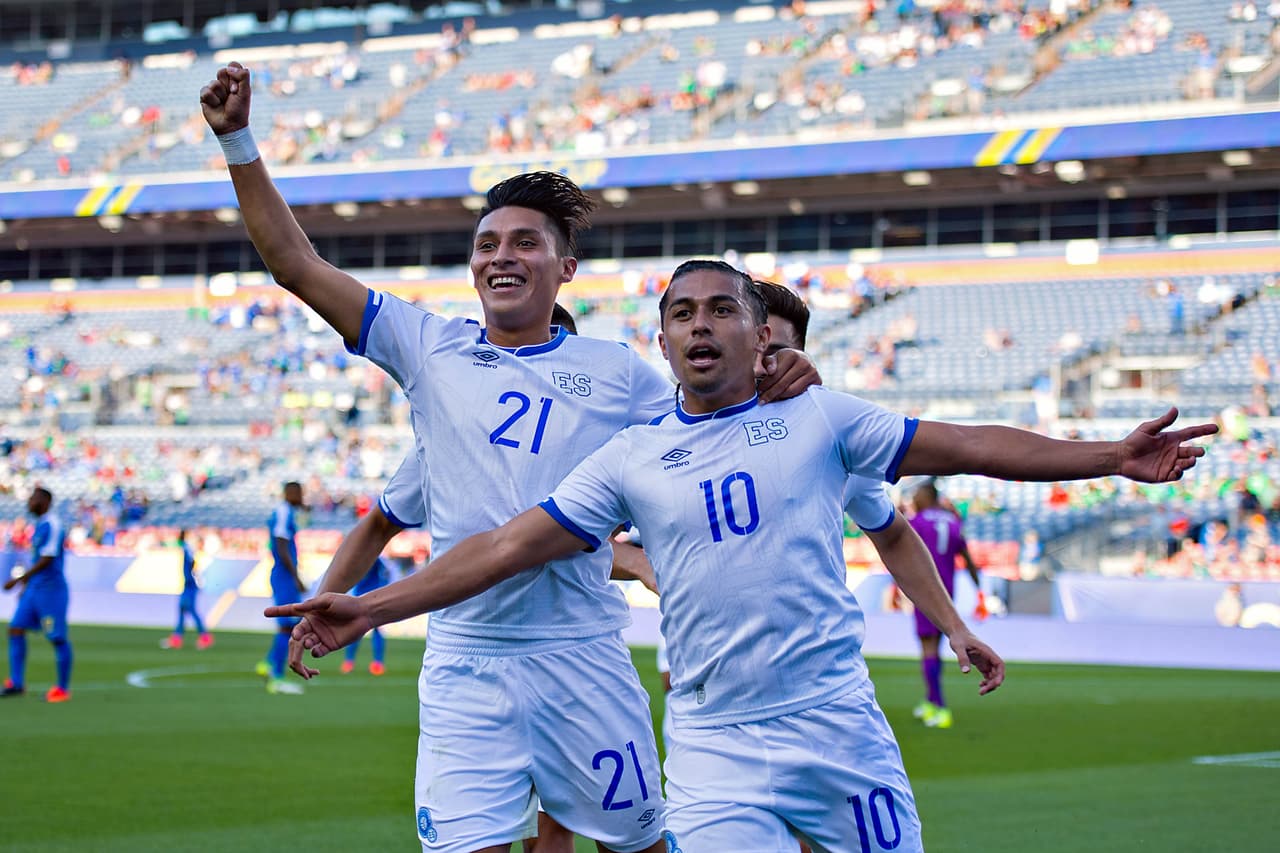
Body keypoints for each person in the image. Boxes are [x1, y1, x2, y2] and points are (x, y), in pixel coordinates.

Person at [274, 260, 1215, 851]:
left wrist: (1108, 458)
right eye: (679, 312)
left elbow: (968, 445)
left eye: (718, 308)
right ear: (663, 339)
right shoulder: (629, 455)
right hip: (713, 741)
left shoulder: (820, 420)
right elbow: (509, 545)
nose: (697, 324)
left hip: (835, 723)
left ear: (756, 332)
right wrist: (371, 605)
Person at [202, 62, 818, 852]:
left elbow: (718, 420)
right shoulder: (428, 345)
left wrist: (782, 375)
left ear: (564, 267)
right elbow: (296, 265)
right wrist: (239, 141)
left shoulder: (620, 371)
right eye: (487, 242)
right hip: (465, 663)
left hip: (582, 659)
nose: (502, 255)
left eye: (526, 242)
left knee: (639, 847)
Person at [905, 481, 982, 730]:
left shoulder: (917, 521)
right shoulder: (952, 521)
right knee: (935, 647)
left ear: (926, 496)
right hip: (948, 592)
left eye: (916, 495)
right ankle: (930, 701)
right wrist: (978, 587)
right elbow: (967, 558)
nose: (913, 499)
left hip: (925, 591)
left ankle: (940, 707)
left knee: (928, 649)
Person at [2, 487, 73, 702]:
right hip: (34, 589)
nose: (29, 502)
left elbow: (47, 559)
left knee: (57, 638)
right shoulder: (39, 525)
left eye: (33, 498)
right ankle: (16, 682)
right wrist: (26, 588)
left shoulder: (53, 524)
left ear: (45, 501)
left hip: (51, 591)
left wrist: (18, 579)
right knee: (15, 628)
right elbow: (37, 559)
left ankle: (61, 689)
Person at [258, 481, 306, 695]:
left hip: (283, 575)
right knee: (288, 627)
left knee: (288, 625)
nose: (302, 496)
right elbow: (280, 544)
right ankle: (275, 677)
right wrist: (295, 576)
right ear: (290, 493)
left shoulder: (285, 511)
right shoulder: (284, 512)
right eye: (299, 493)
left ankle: (269, 664)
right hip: (284, 575)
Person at [162, 529, 214, 650]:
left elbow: (193, 565)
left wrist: (192, 578)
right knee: (182, 609)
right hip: (188, 584)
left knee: (190, 610)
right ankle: (177, 638)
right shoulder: (189, 549)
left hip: (190, 585)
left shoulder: (188, 549)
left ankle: (204, 637)